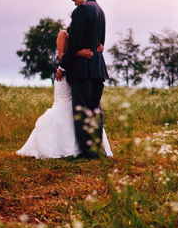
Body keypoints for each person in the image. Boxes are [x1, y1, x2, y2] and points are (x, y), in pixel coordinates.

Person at [17, 28, 113, 159]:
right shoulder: (64, 34)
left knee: (80, 107)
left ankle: (84, 147)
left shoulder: (85, 36)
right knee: (64, 105)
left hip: (79, 74)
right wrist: (80, 53)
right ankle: (60, 146)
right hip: (65, 73)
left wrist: (99, 48)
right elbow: (62, 56)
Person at [56, 0, 109, 159]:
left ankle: (88, 152)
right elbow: (101, 43)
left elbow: (74, 43)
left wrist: (63, 66)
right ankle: (98, 149)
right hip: (98, 69)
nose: (75, 4)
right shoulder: (100, 11)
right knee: (95, 111)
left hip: (82, 71)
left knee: (82, 111)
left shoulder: (81, 10)